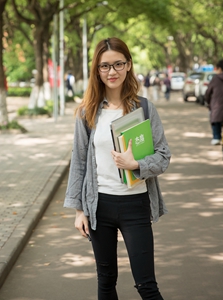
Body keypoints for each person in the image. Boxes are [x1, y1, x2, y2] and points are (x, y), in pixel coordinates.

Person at [64, 37, 171, 300]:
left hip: (136, 204)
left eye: (118, 64)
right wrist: (79, 210)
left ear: (128, 65)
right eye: (105, 66)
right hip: (99, 206)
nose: (112, 72)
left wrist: (136, 165)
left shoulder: (144, 108)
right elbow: (78, 162)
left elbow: (163, 155)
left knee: (147, 285)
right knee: (106, 281)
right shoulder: (87, 113)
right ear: (97, 71)